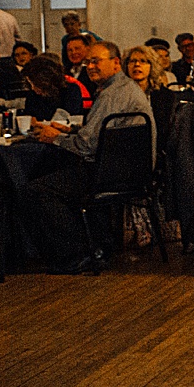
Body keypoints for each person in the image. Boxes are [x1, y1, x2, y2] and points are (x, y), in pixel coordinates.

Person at [20, 42, 154, 274]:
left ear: (115, 62)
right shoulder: (123, 88)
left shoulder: (113, 94)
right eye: (88, 62)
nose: (90, 66)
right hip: (125, 169)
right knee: (57, 174)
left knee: (37, 189)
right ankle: (97, 245)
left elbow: (87, 146)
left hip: (112, 174)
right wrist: (69, 131)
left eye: (96, 61)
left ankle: (78, 254)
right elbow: (97, 133)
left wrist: (55, 138)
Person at [21, 55, 88, 123]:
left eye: (36, 84)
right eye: (30, 84)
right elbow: (29, 118)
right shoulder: (32, 94)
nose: (32, 88)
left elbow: (72, 121)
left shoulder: (71, 91)